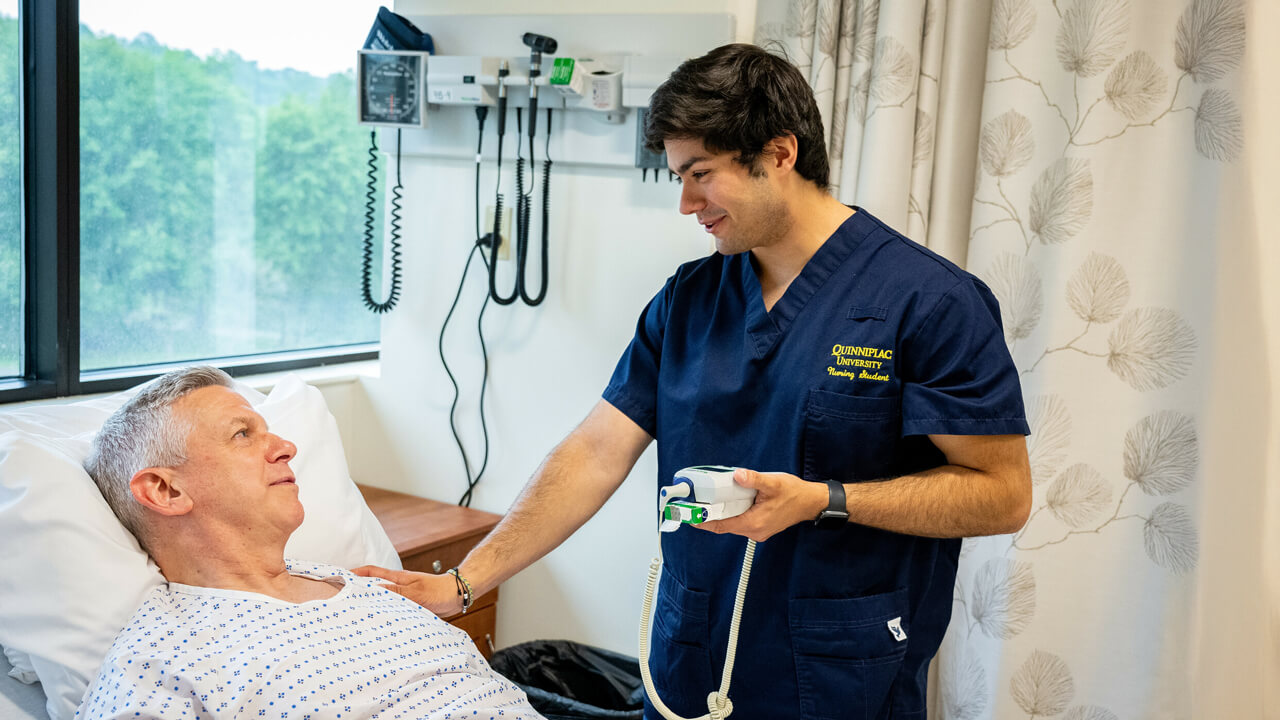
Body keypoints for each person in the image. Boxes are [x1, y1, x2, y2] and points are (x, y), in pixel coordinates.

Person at [358, 43, 1032, 719]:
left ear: (778, 154)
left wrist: (827, 500)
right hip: (688, 659)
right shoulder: (688, 300)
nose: (685, 203)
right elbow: (594, 452)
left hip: (836, 673)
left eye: (700, 174)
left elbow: (1002, 496)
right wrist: (464, 584)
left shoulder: (930, 302)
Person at [78, 366, 540, 720]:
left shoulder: (365, 586)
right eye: (242, 434)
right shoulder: (159, 664)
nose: (286, 447)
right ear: (166, 491)